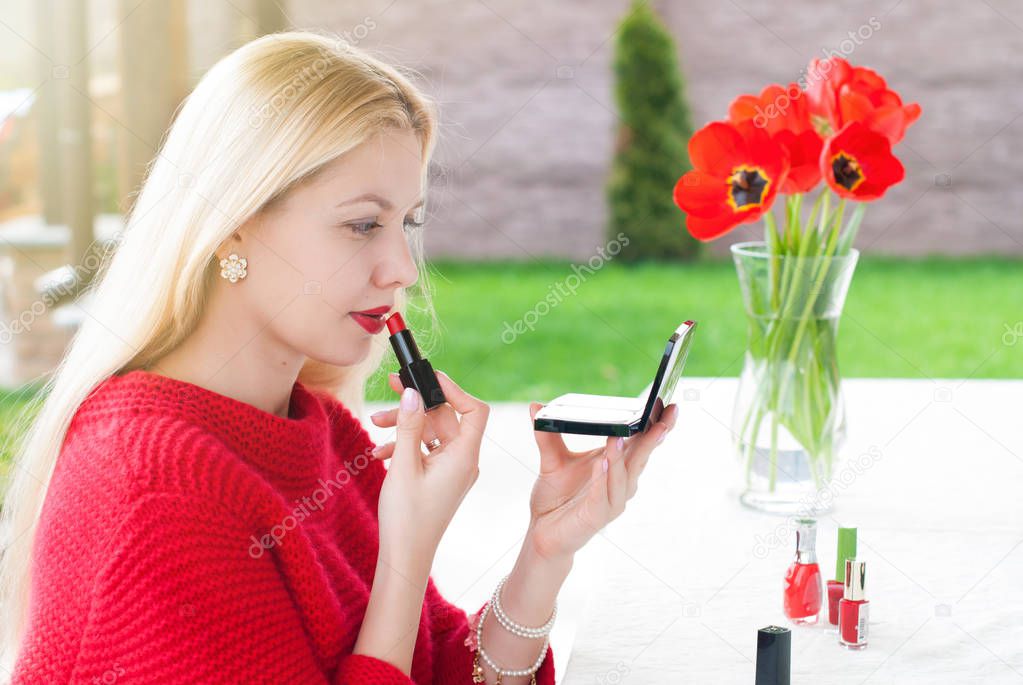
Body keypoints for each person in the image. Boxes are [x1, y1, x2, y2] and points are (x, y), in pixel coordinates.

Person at [0, 31, 679, 684]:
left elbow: (435, 666)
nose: (400, 269)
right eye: (362, 224)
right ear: (232, 222)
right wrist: (404, 562)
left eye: (406, 223)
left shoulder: (317, 432)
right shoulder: (159, 491)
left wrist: (544, 550)